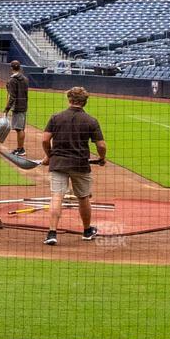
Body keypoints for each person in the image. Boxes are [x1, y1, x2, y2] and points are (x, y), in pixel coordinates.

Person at [41, 86, 108, 246]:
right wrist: (101, 158)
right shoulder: (91, 120)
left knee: (57, 196)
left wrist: (49, 156)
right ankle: (86, 231)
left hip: (58, 163)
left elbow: (45, 140)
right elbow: (101, 145)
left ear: (69, 100)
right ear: (84, 102)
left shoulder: (56, 117)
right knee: (83, 197)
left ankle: (52, 233)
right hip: (80, 164)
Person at [3, 65, 32, 156]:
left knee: (19, 129)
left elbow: (12, 97)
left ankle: (20, 149)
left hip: (17, 107)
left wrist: (7, 109)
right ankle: (20, 148)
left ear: (11, 68)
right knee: (21, 128)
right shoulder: (25, 79)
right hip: (24, 105)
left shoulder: (12, 80)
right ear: (19, 68)